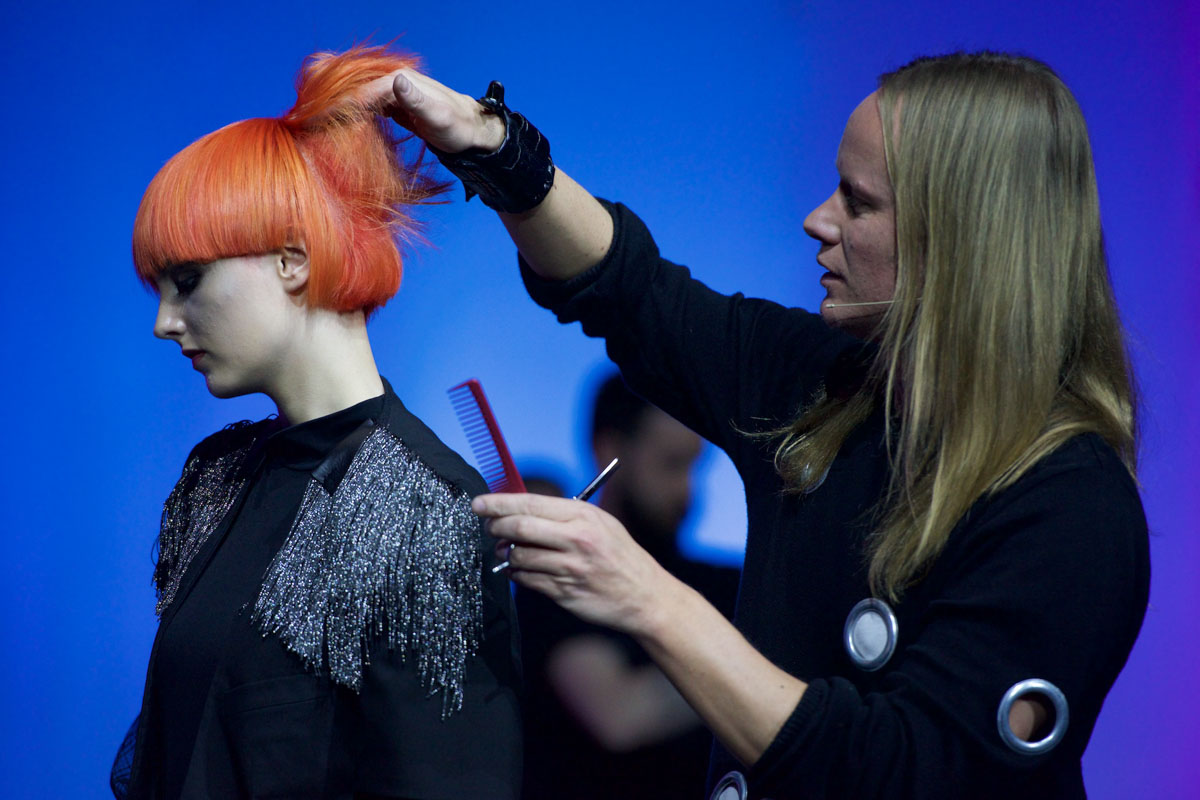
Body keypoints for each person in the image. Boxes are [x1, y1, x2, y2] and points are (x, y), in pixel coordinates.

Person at [377, 51, 1149, 798]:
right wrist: (496, 146)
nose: (818, 220)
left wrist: (647, 597)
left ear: (963, 241)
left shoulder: (1072, 509)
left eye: (859, 201)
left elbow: (905, 772)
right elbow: (630, 292)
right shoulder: (818, 389)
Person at [111, 46, 521, 800]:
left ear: (292, 260)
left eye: (188, 281)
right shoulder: (214, 480)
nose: (166, 322)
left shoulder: (423, 506)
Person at [518, 374, 740, 799]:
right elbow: (618, 715)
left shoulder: (731, 583)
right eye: (672, 464)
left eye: (695, 467)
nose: (688, 490)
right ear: (610, 450)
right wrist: (754, 662)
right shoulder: (557, 571)